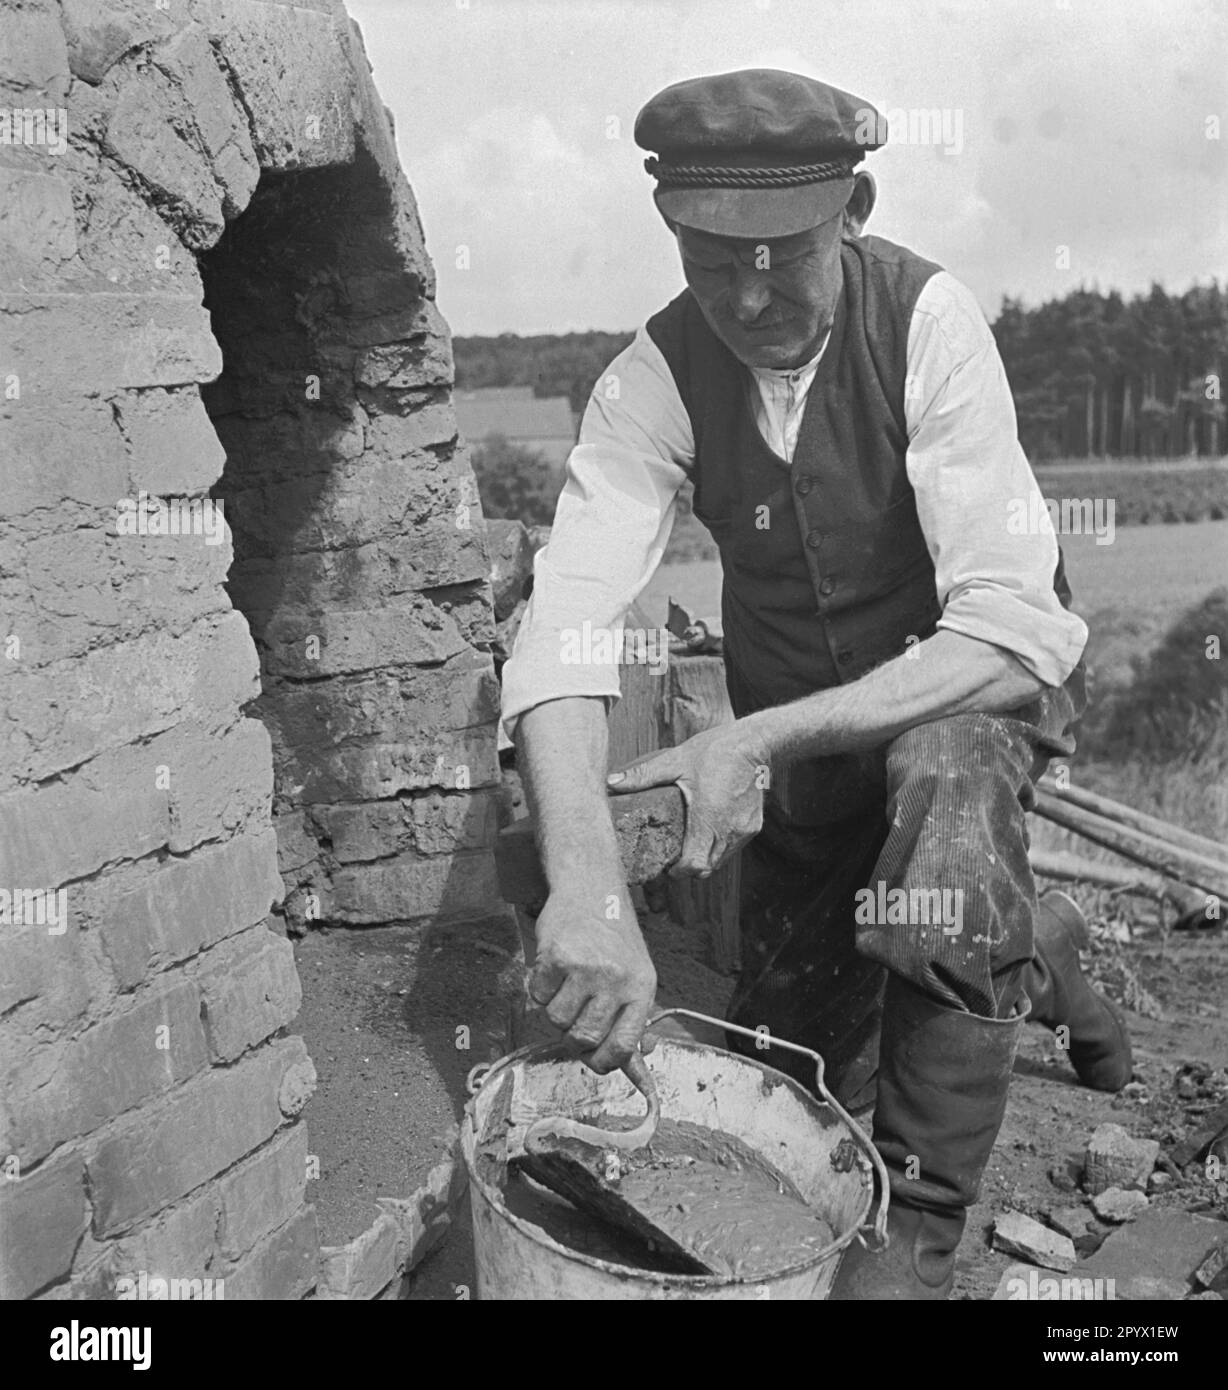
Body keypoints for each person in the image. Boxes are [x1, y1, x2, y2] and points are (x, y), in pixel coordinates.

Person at [499, 68, 1132, 1299]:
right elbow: (566, 621)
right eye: (709, 260)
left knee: (944, 788)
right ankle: (1032, 939)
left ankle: (915, 1239)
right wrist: (582, 880)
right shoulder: (652, 377)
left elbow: (1014, 628)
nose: (747, 295)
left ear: (853, 210)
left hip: (961, 707)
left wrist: (748, 741)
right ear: (671, 235)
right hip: (806, 740)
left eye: (782, 256)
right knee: (792, 1062)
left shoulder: (928, 321)